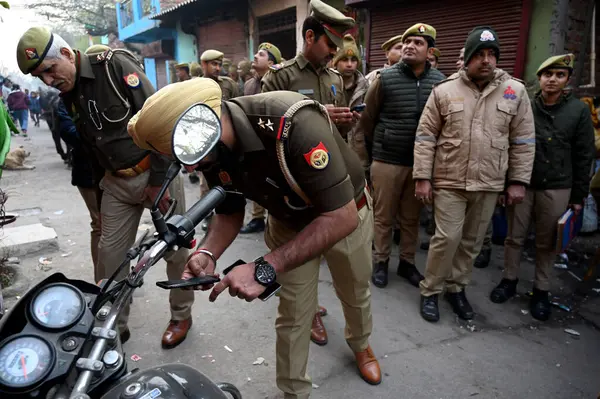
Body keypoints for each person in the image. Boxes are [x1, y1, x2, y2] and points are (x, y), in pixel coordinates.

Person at [128, 77, 382, 399]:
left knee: (354, 291)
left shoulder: (292, 122)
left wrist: (265, 267)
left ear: (207, 118)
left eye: (189, 153)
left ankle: (360, 345)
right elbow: (230, 210)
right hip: (289, 222)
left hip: (347, 215)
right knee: (292, 317)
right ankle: (294, 393)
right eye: (182, 156)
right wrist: (208, 253)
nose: (190, 166)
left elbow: (340, 216)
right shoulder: (208, 144)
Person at [17, 27, 195, 348]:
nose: (47, 80)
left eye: (49, 69)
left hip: (155, 174)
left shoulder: (113, 65)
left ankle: (181, 316)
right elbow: (92, 146)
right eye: (39, 76)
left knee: (175, 251)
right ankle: (111, 328)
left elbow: (160, 119)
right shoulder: (68, 94)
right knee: (109, 258)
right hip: (115, 181)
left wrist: (158, 181)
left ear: (68, 55)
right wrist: (101, 194)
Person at [413, 26, 535, 322]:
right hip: (450, 179)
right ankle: (430, 290)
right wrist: (423, 177)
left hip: (489, 181)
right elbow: (426, 136)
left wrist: (517, 181)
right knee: (447, 238)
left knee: (472, 242)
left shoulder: (515, 92)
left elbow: (523, 140)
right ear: (467, 58)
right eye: (479, 54)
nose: (486, 60)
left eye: (492, 54)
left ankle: (456, 289)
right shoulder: (444, 90)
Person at [261, 0, 357, 347]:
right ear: (310, 36)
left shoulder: (334, 77)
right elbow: (266, 132)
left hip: (327, 178)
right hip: (294, 183)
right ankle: (309, 310)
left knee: (329, 247)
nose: (334, 53)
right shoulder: (280, 76)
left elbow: (336, 136)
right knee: (298, 252)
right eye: (330, 45)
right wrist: (317, 118)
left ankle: (322, 306)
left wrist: (341, 122)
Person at [489, 53, 595, 320]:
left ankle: (541, 290)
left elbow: (584, 156)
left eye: (560, 75)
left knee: (547, 242)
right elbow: (510, 145)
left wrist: (579, 196)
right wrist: (506, 184)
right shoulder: (526, 106)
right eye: (548, 75)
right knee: (514, 236)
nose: (552, 80)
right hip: (523, 183)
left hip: (558, 186)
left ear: (567, 80)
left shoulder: (579, 111)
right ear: (539, 78)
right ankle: (509, 280)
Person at [358, 23, 445, 289]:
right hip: (386, 160)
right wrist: (380, 147)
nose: (409, 46)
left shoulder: (440, 82)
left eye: (418, 43)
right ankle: (381, 261)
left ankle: (407, 262)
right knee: (383, 216)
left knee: (410, 218)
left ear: (430, 51)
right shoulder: (386, 78)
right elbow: (368, 118)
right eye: (407, 41)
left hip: (420, 165)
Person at [239, 42, 283, 235]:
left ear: (271, 62)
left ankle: (279, 218)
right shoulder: (249, 84)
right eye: (256, 53)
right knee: (256, 179)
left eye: (261, 54)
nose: (255, 56)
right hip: (253, 139)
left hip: (273, 140)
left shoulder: (278, 81)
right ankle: (258, 218)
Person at [334, 34, 370, 173]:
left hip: (359, 155)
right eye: (344, 59)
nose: (349, 64)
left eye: (353, 60)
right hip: (334, 152)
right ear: (335, 62)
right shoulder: (327, 85)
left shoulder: (367, 87)